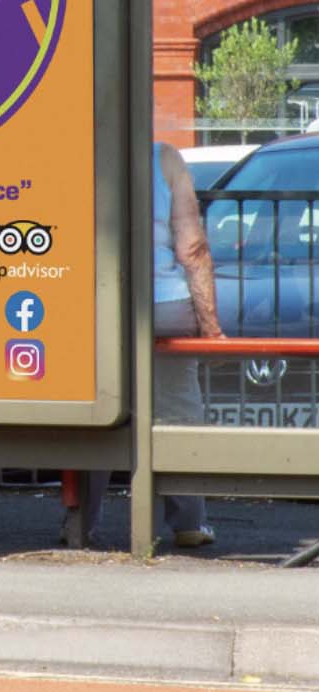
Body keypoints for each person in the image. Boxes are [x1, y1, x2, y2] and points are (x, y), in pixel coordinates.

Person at [71, 142, 226, 547]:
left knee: (99, 408)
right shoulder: (166, 159)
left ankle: (80, 523)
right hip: (166, 307)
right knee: (178, 409)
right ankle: (189, 523)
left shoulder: (80, 150)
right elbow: (191, 246)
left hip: (100, 306)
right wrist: (211, 329)